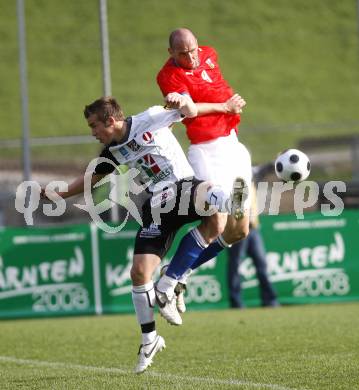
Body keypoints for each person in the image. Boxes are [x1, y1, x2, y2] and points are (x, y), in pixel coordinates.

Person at [41, 93, 244, 374]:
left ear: (110, 120)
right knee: (139, 273)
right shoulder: (112, 152)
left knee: (213, 211)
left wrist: (181, 99)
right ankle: (150, 338)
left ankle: (171, 279)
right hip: (158, 206)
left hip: (183, 188)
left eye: (94, 126)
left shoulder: (152, 117)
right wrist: (60, 193)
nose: (93, 133)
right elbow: (91, 180)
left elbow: (189, 110)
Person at [155, 28, 252, 309]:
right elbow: (190, 110)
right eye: (183, 53)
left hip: (233, 146)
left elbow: (213, 83)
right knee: (216, 222)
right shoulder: (168, 76)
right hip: (206, 151)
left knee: (239, 230)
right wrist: (225, 105)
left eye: (193, 50)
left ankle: (178, 273)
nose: (191, 57)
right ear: (171, 53)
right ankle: (167, 285)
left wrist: (232, 104)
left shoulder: (209, 54)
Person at [228, 182, 279, 308]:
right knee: (236, 265)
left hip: (253, 229)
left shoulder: (250, 182)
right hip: (237, 229)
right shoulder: (230, 181)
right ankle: (236, 302)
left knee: (261, 263)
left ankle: (270, 300)